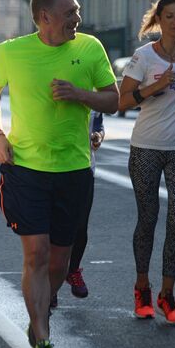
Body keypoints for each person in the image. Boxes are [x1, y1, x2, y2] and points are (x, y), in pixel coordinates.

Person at [0, 0, 118, 348]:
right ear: (45, 17)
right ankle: (43, 339)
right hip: (26, 168)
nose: (78, 17)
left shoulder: (90, 48)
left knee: (59, 260)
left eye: (76, 11)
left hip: (74, 169)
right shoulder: (11, 52)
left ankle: (38, 311)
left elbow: (113, 98)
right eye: (70, 12)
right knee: (36, 254)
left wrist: (80, 94)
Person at [118, 0, 175, 324]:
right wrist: (156, 87)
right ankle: (142, 288)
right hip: (146, 147)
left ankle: (168, 294)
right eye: (169, 16)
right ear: (159, 19)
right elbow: (122, 100)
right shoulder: (143, 57)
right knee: (148, 218)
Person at [60, 110, 104, 303]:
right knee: (52, 229)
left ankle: (73, 270)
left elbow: (98, 125)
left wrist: (98, 136)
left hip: (84, 166)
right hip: (50, 166)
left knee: (80, 227)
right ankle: (48, 283)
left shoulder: (95, 85)